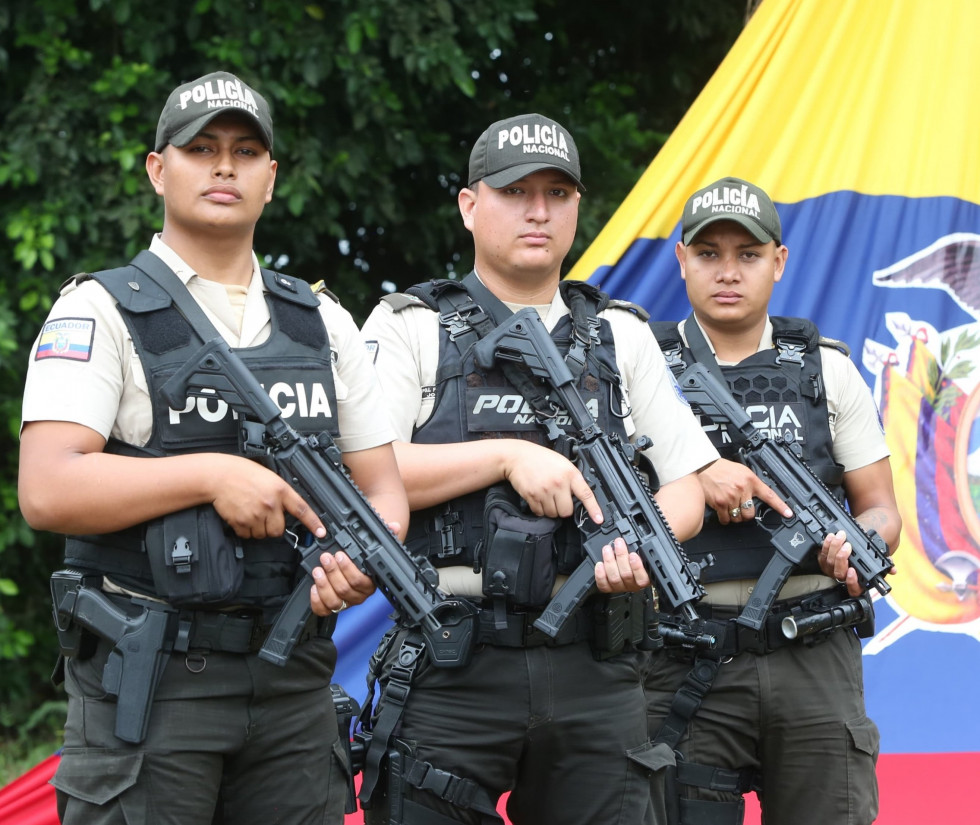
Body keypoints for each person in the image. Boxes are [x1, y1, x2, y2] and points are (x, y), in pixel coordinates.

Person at [18, 71, 407, 825]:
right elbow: (46, 488)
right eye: (201, 148)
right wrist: (210, 475)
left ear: (270, 178)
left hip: (293, 685)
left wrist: (361, 561)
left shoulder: (319, 320)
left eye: (245, 149)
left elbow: (383, 487)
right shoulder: (99, 309)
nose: (224, 166)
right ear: (158, 170)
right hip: (151, 682)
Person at [356, 112, 719, 825]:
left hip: (598, 660)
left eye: (557, 193)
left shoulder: (620, 334)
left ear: (577, 208)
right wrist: (507, 455)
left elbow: (687, 484)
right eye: (516, 191)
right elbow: (369, 475)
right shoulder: (408, 325)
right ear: (469, 205)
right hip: (453, 653)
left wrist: (643, 548)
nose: (537, 210)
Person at [645, 176, 902, 825]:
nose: (728, 271)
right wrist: (694, 481)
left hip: (812, 647)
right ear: (681, 259)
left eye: (748, 253)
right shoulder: (639, 370)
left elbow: (882, 509)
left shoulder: (827, 369)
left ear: (778, 262)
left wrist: (860, 541)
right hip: (683, 651)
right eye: (708, 253)